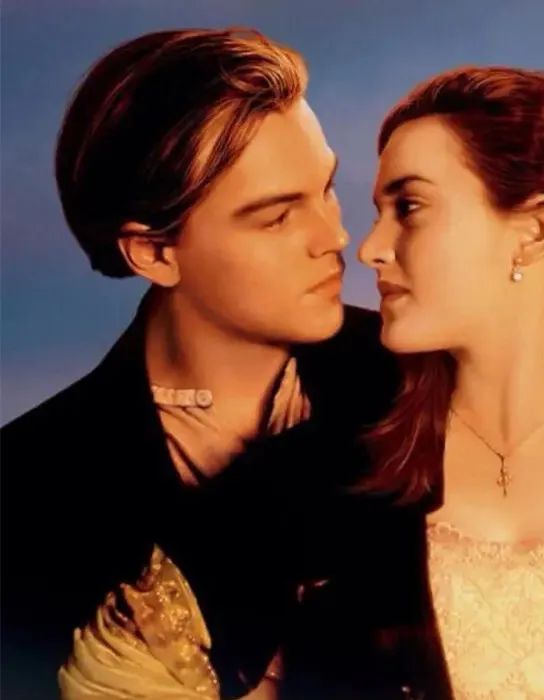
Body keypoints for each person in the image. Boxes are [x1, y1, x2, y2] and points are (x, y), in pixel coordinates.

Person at [271, 66, 544, 699]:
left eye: (409, 208)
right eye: (380, 212)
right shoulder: (312, 478)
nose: (370, 249)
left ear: (535, 229)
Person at [0, 27, 397, 699]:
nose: (334, 236)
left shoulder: (430, 383)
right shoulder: (24, 490)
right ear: (153, 253)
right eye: (276, 217)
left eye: (326, 189)